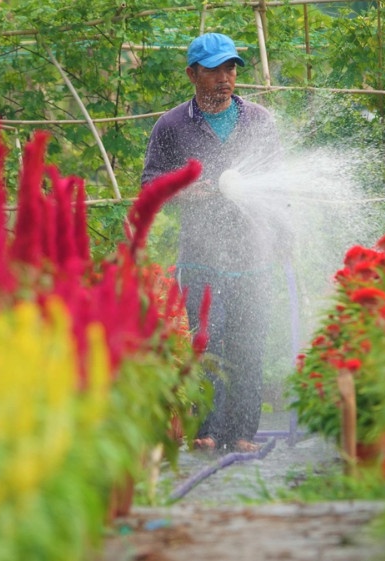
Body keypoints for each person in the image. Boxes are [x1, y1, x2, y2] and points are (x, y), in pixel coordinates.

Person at [141, 32, 283, 452]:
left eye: (232, 68)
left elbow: (275, 184)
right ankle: (204, 430)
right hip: (201, 257)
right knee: (205, 344)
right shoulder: (172, 126)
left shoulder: (259, 121)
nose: (226, 77)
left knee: (247, 344)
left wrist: (280, 233)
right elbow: (151, 184)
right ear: (192, 74)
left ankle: (241, 434)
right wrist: (191, 191)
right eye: (215, 69)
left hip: (252, 254)